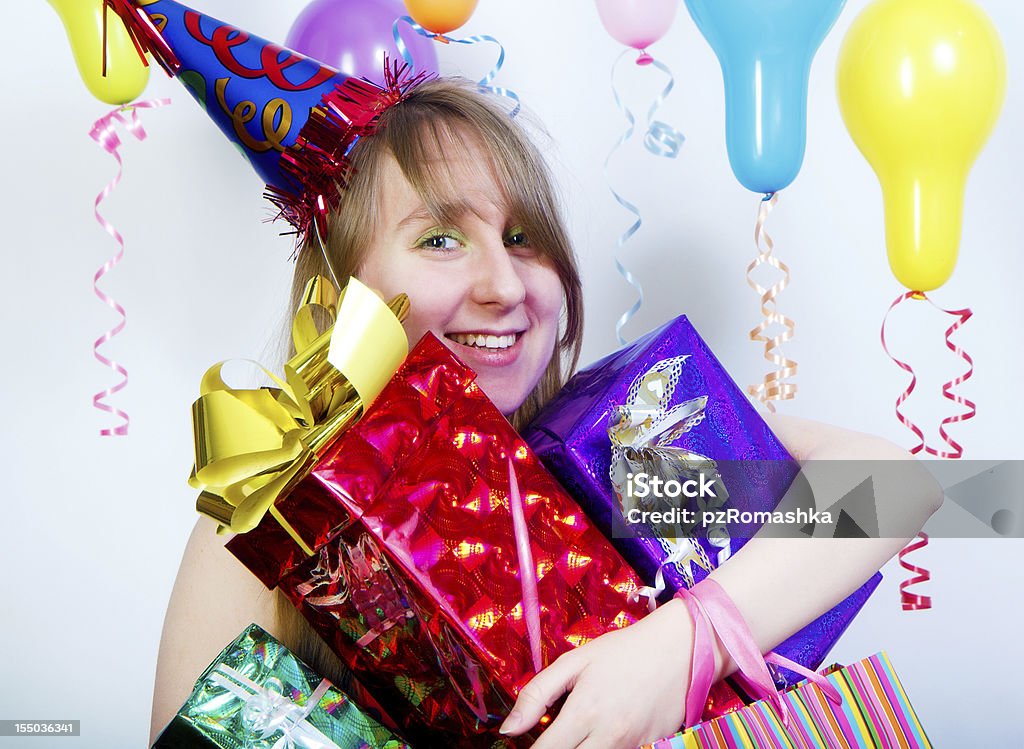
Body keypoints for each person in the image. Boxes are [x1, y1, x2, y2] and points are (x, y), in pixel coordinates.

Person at [150, 77, 941, 748]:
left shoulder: (621, 450)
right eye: (439, 239)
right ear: (343, 276)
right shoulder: (267, 533)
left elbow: (899, 485)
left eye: (523, 236)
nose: (503, 283)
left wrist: (673, 648)